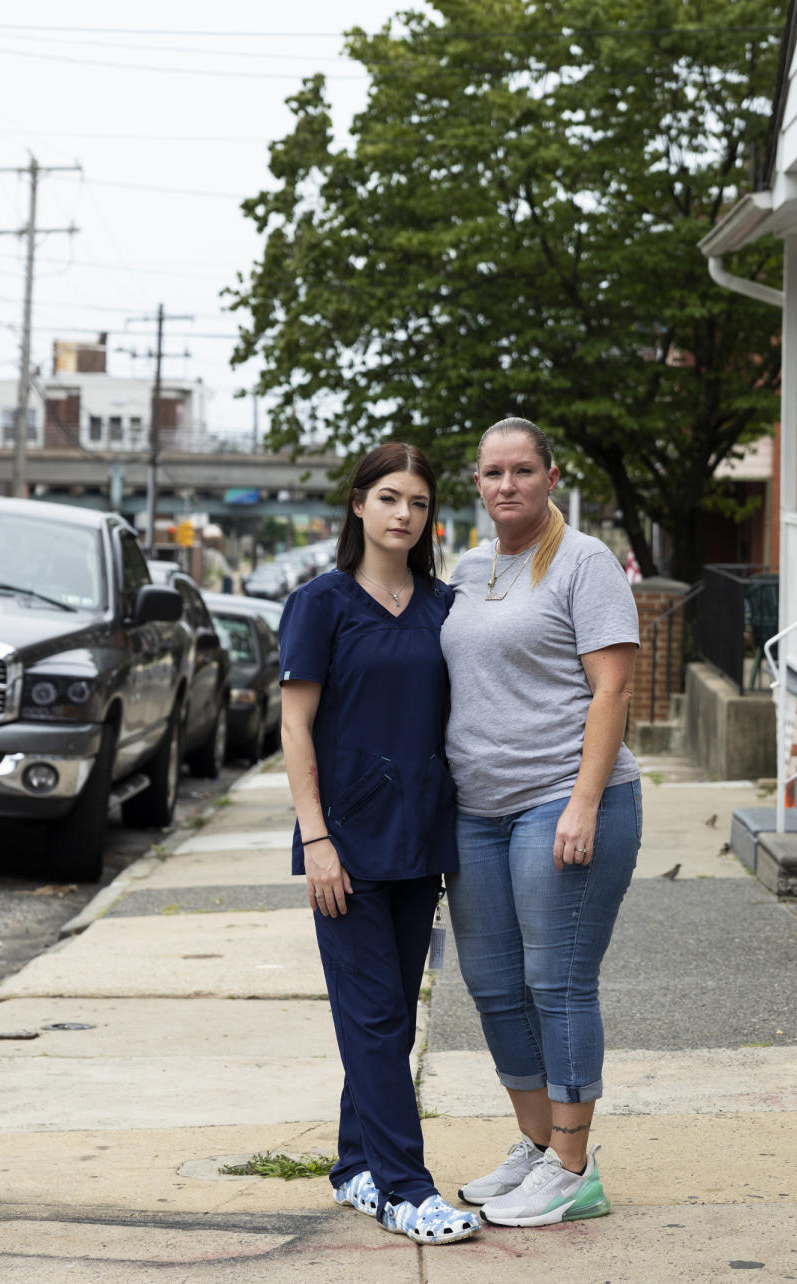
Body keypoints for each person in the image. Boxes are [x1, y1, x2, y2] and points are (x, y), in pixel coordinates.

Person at [440, 416, 642, 1228]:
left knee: (554, 982)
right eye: (492, 472)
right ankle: (536, 1147)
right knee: (492, 985)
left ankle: (573, 1165)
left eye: (522, 470)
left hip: (560, 798)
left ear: (551, 477)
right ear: (478, 483)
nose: (507, 485)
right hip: (476, 809)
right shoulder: (470, 565)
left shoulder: (585, 562)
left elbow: (614, 691)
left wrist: (584, 803)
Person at [278, 442, 481, 1246]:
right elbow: (295, 726)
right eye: (390, 497)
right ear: (358, 503)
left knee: (391, 1019)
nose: (405, 514)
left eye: (420, 503)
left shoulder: (445, 606)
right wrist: (316, 837)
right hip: (347, 842)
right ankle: (406, 1188)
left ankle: (356, 1166)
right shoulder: (320, 604)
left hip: (422, 835)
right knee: (369, 1015)